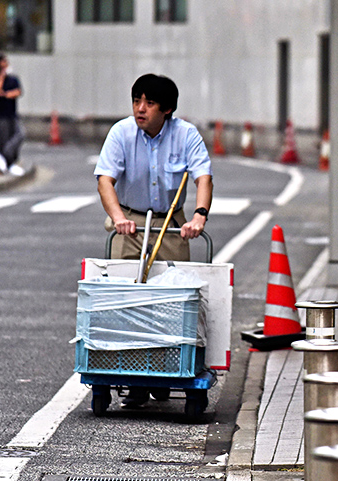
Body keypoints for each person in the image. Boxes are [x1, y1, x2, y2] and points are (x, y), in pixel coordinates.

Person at [94, 73, 213, 407]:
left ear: (168, 109)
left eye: (149, 102)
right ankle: (132, 376)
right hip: (130, 220)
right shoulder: (121, 133)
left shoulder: (186, 135)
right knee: (126, 297)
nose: (140, 109)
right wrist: (118, 218)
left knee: (175, 298)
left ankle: (168, 367)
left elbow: (203, 177)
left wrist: (199, 216)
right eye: (136, 101)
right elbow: (105, 180)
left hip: (170, 222)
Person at [0, 54, 25, 176]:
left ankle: (1, 155)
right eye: (3, 63)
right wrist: (1, 79)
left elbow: (18, 91)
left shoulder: (13, 79)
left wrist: (6, 94)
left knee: (20, 134)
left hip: (12, 113)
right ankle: (9, 164)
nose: (6, 65)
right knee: (3, 139)